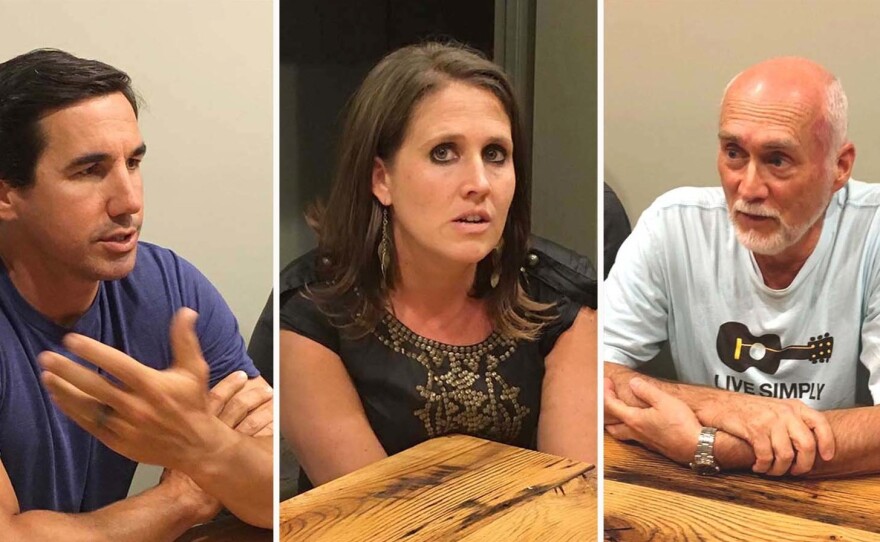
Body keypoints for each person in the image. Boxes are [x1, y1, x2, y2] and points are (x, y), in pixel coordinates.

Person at [279, 42, 597, 492]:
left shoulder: (561, 298)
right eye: (444, 153)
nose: (479, 184)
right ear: (381, 179)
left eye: (495, 154)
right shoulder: (311, 308)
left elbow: (574, 500)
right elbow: (373, 514)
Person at [0, 49, 273, 539]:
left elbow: (271, 500)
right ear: (6, 194)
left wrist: (208, 448)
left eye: (133, 162)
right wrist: (185, 495)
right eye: (89, 170)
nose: (129, 201)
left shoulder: (170, 287)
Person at [604, 56, 880, 478]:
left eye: (778, 160)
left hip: (837, 496)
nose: (748, 188)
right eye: (734, 153)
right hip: (691, 494)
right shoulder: (673, 224)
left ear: (839, 166)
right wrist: (726, 406)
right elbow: (593, 378)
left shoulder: (873, 229)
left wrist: (713, 445)